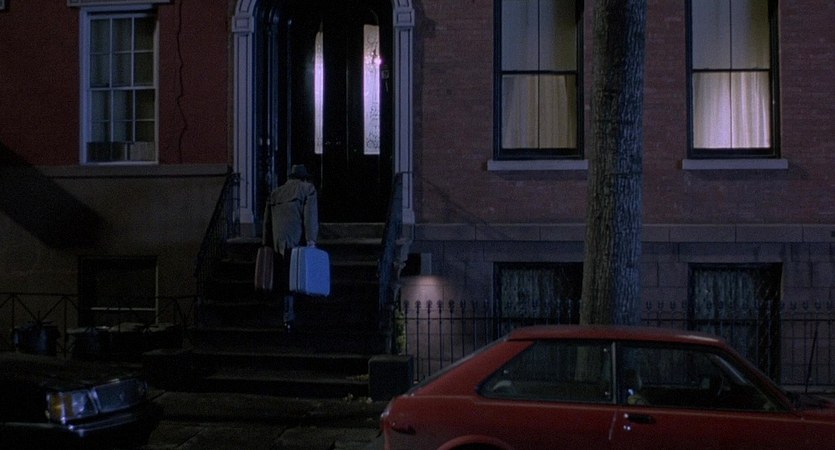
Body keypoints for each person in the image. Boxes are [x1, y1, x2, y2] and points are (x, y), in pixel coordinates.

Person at [262, 164, 319, 332]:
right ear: (304, 177)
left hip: (278, 242)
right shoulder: (307, 189)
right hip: (297, 241)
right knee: (297, 278)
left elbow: (267, 222)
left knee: (285, 279)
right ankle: (292, 316)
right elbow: (310, 217)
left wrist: (266, 243)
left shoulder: (275, 193)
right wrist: (311, 240)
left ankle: (286, 316)